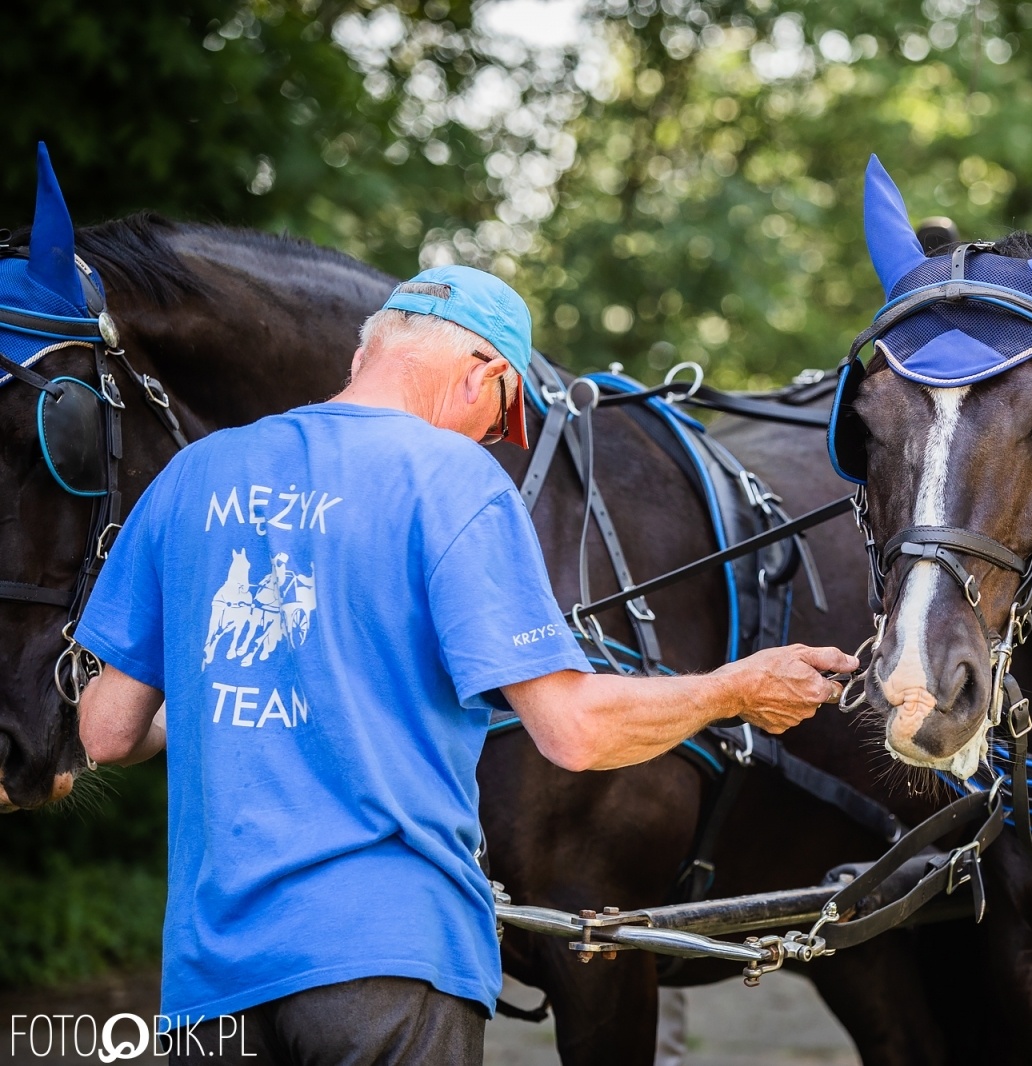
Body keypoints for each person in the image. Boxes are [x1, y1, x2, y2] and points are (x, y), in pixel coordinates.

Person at [74, 265, 856, 1065]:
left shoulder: (196, 474)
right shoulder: (453, 481)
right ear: (482, 372)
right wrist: (733, 689)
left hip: (213, 978)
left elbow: (104, 731)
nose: (491, 435)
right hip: (390, 961)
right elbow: (575, 734)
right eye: (504, 411)